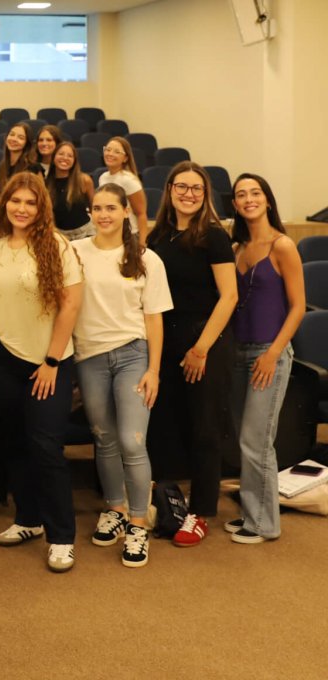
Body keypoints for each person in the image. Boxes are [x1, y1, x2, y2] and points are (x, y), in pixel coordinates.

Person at [0, 172, 84, 573]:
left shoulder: (56, 246)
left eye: (30, 203)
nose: (21, 209)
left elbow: (70, 306)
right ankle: (28, 519)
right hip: (4, 358)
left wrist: (52, 362)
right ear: (5, 204)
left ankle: (61, 537)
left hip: (48, 362)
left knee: (45, 447)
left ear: (41, 209)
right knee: (15, 443)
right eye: (15, 201)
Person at [72, 184, 172, 567]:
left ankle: (137, 523)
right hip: (90, 356)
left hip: (133, 355)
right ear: (90, 213)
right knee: (104, 439)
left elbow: (154, 318)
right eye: (97, 208)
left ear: (126, 211)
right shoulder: (77, 252)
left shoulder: (147, 258)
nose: (104, 215)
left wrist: (154, 370)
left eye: (111, 208)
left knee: (132, 441)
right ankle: (114, 509)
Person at [144, 161, 239, 547]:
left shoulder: (213, 236)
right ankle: (171, 504)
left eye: (196, 188)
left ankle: (201, 512)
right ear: (169, 190)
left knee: (204, 427)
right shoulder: (158, 236)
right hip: (166, 338)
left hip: (206, 338)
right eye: (181, 187)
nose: (188, 194)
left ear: (205, 195)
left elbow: (229, 296)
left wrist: (201, 348)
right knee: (164, 425)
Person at [227, 173, 305, 544]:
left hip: (268, 354)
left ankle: (263, 524)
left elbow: (298, 307)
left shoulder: (283, 245)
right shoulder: (238, 246)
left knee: (256, 440)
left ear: (267, 199)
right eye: (241, 195)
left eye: (254, 192)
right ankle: (252, 511)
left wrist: (273, 353)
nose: (248, 199)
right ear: (235, 204)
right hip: (238, 352)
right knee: (246, 439)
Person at [99, 137, 149, 237]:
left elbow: (141, 214)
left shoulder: (129, 180)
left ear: (125, 158)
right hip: (110, 232)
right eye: (108, 150)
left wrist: (142, 243)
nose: (110, 154)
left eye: (117, 152)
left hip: (129, 234)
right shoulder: (103, 177)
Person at [0, 122, 35, 194]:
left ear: (27, 143)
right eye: (12, 134)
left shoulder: (33, 169)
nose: (14, 139)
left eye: (20, 138)